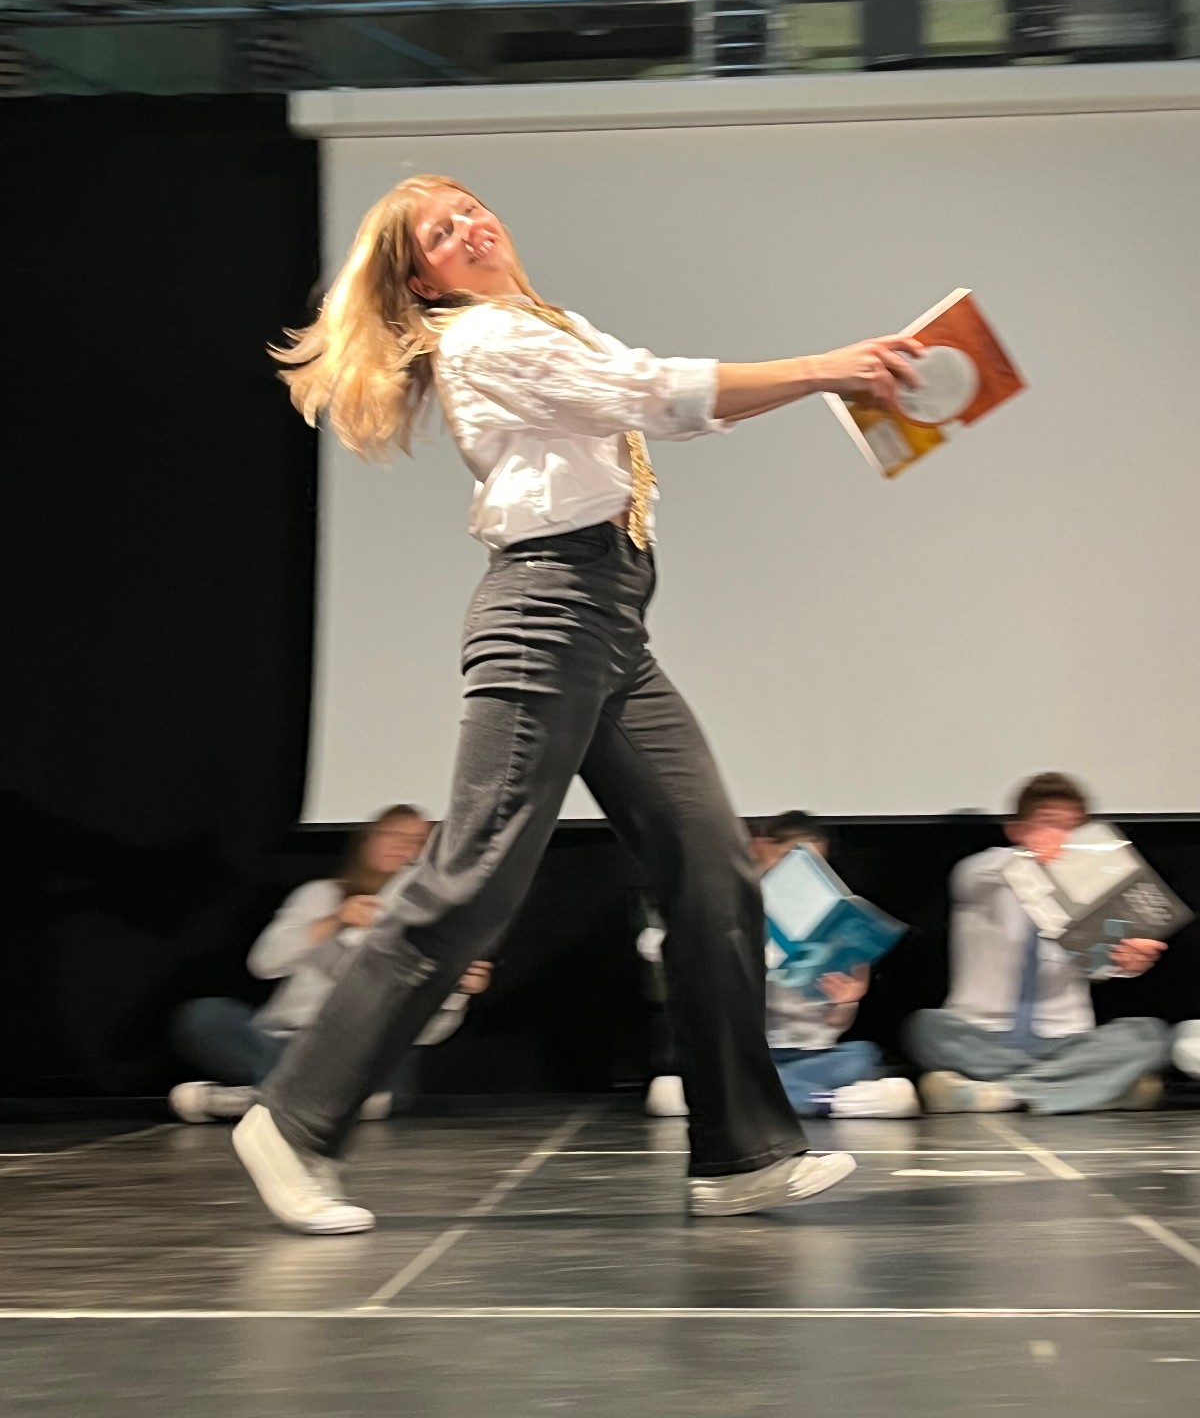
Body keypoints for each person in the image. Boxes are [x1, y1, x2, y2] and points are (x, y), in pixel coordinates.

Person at [232, 172, 924, 1233]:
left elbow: (661, 408)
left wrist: (829, 380)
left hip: (610, 622)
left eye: (469, 207)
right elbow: (654, 395)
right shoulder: (483, 339)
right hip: (545, 613)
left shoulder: (548, 323)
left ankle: (741, 1153)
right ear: (423, 279)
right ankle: (292, 1120)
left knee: (711, 870)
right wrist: (828, 367)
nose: (470, 225)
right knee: (473, 878)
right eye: (440, 231)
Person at [170, 806, 492, 1122]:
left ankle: (257, 1100)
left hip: (357, 1053)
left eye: (417, 841)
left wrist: (458, 991)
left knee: (394, 1071)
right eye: (392, 834)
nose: (402, 846)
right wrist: (334, 921)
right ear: (368, 840)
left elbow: (427, 1033)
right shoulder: (320, 894)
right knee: (203, 1017)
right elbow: (264, 963)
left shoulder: (430, 922)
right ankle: (321, 1104)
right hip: (287, 1043)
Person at [906, 773, 1170, 1114]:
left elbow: (1101, 966)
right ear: (1016, 829)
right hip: (982, 1035)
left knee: (1148, 1035)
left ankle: (1005, 1094)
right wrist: (1031, 856)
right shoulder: (984, 876)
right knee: (924, 1028)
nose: (1062, 836)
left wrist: (1127, 963)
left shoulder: (1095, 891)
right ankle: (1093, 1089)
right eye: (1049, 823)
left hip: (1066, 1040)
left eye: (1073, 827)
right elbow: (973, 873)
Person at [641, 811, 917, 1119]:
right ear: (761, 848)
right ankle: (831, 1102)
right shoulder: (731, 905)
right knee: (721, 1069)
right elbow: (651, 943)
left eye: (816, 867)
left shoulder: (834, 926)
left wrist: (846, 1002)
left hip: (813, 1057)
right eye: (792, 860)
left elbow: (833, 1025)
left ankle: (742, 1099)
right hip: (752, 1052)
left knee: (862, 1056)